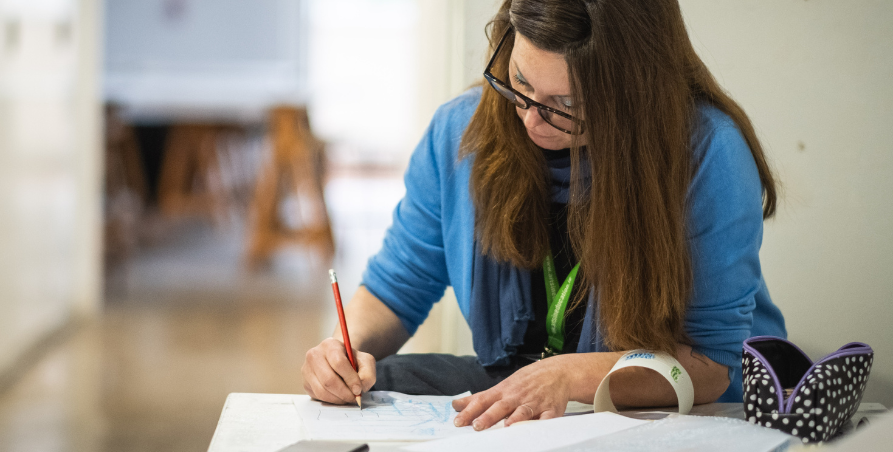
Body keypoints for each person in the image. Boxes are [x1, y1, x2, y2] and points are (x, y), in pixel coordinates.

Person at [301, 0, 786, 431]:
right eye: (520, 81)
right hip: (529, 382)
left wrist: (570, 374)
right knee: (380, 384)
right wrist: (344, 350)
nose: (531, 118)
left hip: (680, 411)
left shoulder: (708, 153)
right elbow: (397, 286)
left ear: (636, 91)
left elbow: (710, 364)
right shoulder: (458, 131)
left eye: (567, 105)